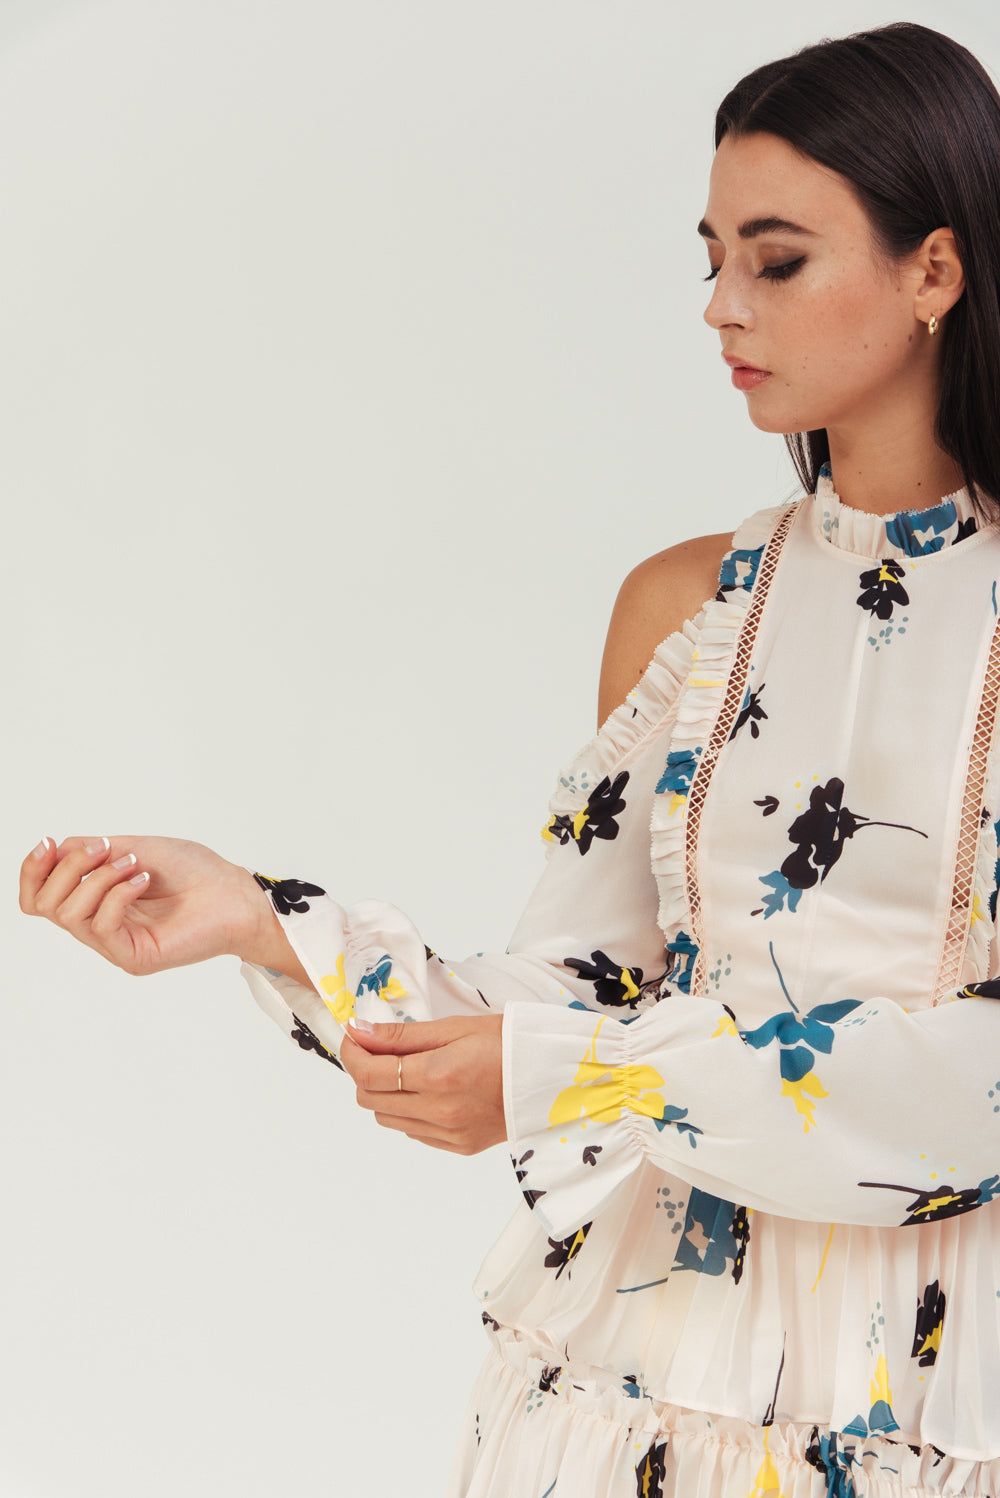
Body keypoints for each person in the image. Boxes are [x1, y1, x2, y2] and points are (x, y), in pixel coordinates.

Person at [19, 19, 1000, 1496]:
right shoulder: (692, 614)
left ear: (935, 271)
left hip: (939, 1403)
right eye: (711, 258)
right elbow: (575, 1004)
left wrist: (582, 1082)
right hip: (635, 1391)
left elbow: (975, 1083)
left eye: (778, 260)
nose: (721, 305)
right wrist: (265, 920)